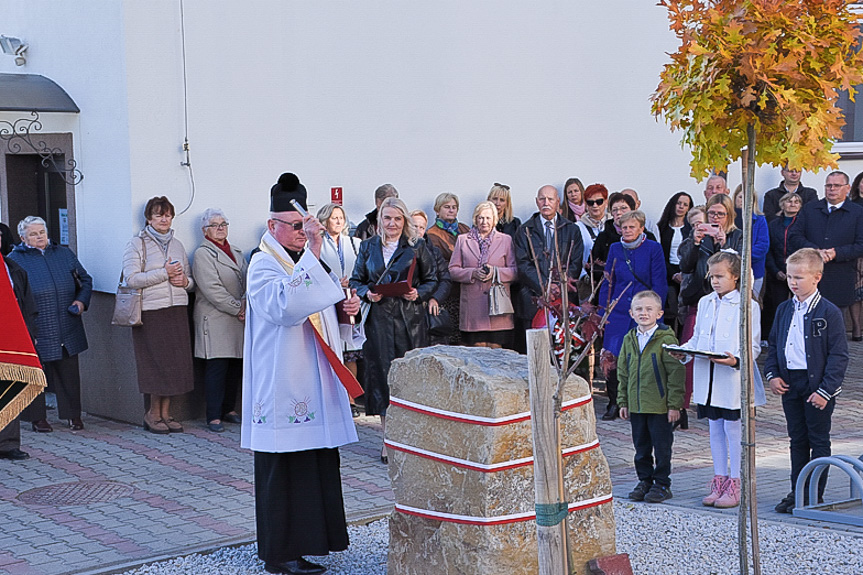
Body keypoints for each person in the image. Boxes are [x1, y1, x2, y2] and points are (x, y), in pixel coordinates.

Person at [241, 172, 360, 575]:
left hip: (311, 380)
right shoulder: (261, 265)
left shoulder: (308, 261)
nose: (302, 233)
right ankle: (279, 553)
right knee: (282, 471)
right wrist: (313, 250)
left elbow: (321, 313)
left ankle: (309, 543)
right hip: (281, 384)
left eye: (306, 225)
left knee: (312, 466)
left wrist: (345, 315)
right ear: (272, 225)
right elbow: (285, 308)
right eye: (295, 227)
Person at [670, 251, 761, 509]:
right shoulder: (706, 302)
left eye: (720, 276)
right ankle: (719, 479)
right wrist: (684, 351)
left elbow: (752, 346)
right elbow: (699, 338)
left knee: (734, 430)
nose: (715, 281)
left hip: (730, 377)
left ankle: (737, 481)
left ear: (735, 277)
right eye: (712, 276)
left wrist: (735, 361)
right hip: (707, 375)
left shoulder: (748, 305)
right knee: (714, 428)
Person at [350, 197, 437, 464]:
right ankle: (388, 441)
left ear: (405, 221)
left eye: (397, 219)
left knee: (409, 380)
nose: (392, 223)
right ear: (380, 220)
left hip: (409, 321)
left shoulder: (416, 246)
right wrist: (366, 294)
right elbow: (356, 280)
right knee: (382, 379)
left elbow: (433, 278)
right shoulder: (367, 247)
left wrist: (418, 293)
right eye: (387, 218)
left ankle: (413, 440)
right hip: (379, 321)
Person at [765, 248, 848, 514]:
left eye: (799, 277)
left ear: (817, 277)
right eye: (790, 277)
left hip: (818, 386)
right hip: (791, 382)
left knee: (818, 439)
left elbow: (838, 355)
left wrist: (825, 390)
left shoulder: (829, 312)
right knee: (797, 439)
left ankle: (815, 493)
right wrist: (773, 374)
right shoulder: (784, 309)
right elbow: (775, 344)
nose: (793, 282)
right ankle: (796, 490)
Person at [9, 216, 93, 432]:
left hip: (67, 320)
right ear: (23, 237)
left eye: (42, 232)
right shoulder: (14, 260)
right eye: (34, 234)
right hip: (36, 323)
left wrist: (81, 302)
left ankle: (73, 415)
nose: (39, 237)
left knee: (69, 372)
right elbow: (12, 296)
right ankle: (37, 418)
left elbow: (85, 280)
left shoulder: (64, 254)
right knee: (35, 372)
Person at [122, 196, 195, 434]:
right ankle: (152, 413)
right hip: (151, 311)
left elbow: (190, 281)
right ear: (149, 218)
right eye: (158, 215)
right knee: (157, 363)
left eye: (167, 215)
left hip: (177, 309)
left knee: (175, 364)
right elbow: (131, 279)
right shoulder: (136, 244)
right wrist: (164, 273)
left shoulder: (178, 244)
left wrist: (185, 282)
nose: (164, 220)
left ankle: (166, 413)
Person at [596, 211, 667, 421]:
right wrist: (603, 310)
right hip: (618, 312)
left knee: (641, 358)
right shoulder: (616, 249)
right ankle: (614, 402)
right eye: (623, 227)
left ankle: (639, 404)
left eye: (631, 227)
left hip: (644, 311)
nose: (627, 231)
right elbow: (608, 280)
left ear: (641, 228)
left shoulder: (653, 248)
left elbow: (659, 282)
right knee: (612, 356)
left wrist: (655, 313)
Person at [618, 290, 684, 504]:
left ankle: (662, 483)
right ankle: (645, 480)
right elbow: (623, 371)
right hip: (637, 406)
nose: (643, 313)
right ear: (631, 313)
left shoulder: (666, 339)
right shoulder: (629, 339)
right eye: (639, 309)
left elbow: (675, 373)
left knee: (662, 447)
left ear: (659, 313)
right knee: (641, 447)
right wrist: (623, 401)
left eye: (649, 309)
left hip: (659, 406)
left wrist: (675, 404)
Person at [789, 171, 863, 339]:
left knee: (834, 330)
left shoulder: (857, 212)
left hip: (840, 276)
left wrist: (836, 253)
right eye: (828, 185)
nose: (832, 189)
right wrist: (815, 251)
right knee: (807, 327)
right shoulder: (810, 208)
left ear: (847, 188)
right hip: (810, 277)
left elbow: (861, 245)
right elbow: (795, 236)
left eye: (837, 186)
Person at [192, 208, 247, 433]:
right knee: (217, 366)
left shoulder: (236, 251)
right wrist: (237, 308)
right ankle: (213, 415)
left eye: (224, 223)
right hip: (216, 318)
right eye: (215, 225)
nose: (221, 228)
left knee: (234, 365)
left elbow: (246, 280)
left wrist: (245, 304)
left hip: (237, 317)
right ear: (205, 230)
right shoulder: (202, 254)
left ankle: (229, 409)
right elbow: (212, 289)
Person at [318, 203, 365, 417]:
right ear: (325, 220)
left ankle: (351, 398)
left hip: (351, 299)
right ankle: (333, 397)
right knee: (333, 350)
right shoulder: (317, 244)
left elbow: (364, 270)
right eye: (334, 217)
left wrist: (353, 283)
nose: (338, 221)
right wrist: (334, 282)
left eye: (341, 217)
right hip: (328, 301)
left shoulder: (354, 243)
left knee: (351, 353)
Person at [514, 185, 584, 329]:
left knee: (563, 345)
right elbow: (522, 264)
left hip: (564, 299)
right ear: (536, 201)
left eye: (550, 199)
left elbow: (575, 263)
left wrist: (559, 286)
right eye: (542, 199)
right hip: (532, 299)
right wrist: (544, 285)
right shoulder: (524, 230)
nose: (546, 203)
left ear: (558, 201)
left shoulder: (572, 229)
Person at [449, 202, 517, 348]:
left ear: (494, 219)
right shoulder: (463, 240)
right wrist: (472, 273)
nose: (484, 222)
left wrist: (496, 272)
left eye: (487, 218)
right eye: (480, 218)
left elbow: (515, 271)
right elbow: (453, 270)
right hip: (473, 309)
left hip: (498, 309)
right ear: (475, 219)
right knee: (477, 353)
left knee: (498, 354)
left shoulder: (506, 240)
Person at [0, 223, 38, 460]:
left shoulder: (13, 268)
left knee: (9, 387)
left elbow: (27, 304)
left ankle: (7, 443)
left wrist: (29, 335)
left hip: (12, 337)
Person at [425, 192, 470, 345]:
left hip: (467, 291)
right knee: (451, 337)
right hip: (447, 293)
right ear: (437, 210)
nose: (451, 210)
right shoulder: (431, 234)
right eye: (447, 207)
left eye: (454, 207)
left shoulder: (465, 229)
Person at [763, 192, 802, 342]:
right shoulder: (773, 224)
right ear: (782, 204)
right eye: (789, 201)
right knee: (777, 307)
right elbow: (769, 249)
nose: (793, 204)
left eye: (796, 201)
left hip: (797, 272)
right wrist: (775, 271)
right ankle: (777, 338)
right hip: (778, 272)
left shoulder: (802, 224)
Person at [410, 210, 452, 346]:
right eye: (414, 226)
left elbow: (445, 279)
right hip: (408, 311)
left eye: (421, 227)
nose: (418, 231)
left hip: (429, 311)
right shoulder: (398, 250)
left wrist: (436, 298)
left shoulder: (434, 251)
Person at [657, 191, 694, 335]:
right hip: (668, 273)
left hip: (687, 272)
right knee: (671, 309)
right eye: (679, 203)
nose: (681, 207)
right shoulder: (662, 228)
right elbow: (660, 255)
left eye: (685, 204)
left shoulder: (691, 229)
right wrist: (673, 275)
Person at [732, 184, 770, 295]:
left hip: (754, 269)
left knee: (752, 303)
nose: (743, 201)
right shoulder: (729, 219)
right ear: (734, 198)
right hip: (730, 271)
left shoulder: (759, 220)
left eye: (748, 197)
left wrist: (741, 257)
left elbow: (762, 246)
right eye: (740, 197)